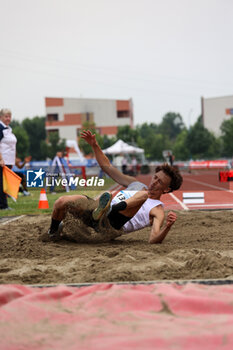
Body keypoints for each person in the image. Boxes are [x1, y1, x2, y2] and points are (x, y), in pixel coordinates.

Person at [44, 130, 183, 244]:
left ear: (166, 189)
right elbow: (109, 168)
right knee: (61, 202)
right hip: (96, 213)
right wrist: (95, 145)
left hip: (112, 224)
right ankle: (53, 233)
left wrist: (167, 227)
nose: (154, 182)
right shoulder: (135, 183)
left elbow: (153, 239)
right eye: (155, 177)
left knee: (143, 194)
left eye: (160, 182)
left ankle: (109, 209)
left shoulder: (158, 210)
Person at [0, 109, 17, 210]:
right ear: (1, 117)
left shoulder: (8, 129)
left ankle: (3, 204)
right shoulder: (0, 128)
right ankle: (3, 205)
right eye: (6, 116)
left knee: (5, 184)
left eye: (9, 116)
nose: (8, 118)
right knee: (2, 184)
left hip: (8, 161)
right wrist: (1, 159)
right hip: (2, 161)